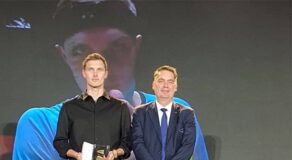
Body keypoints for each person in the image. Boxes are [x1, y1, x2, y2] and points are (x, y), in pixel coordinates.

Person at [13, 0, 209, 160]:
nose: (101, 68)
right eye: (80, 51)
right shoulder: (41, 125)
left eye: (117, 47)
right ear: (64, 56)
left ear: (135, 47)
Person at [53, 53, 131, 160]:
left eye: (99, 69)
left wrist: (115, 153)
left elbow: (128, 142)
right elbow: (60, 142)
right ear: (84, 73)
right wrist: (76, 155)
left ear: (106, 74)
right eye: (91, 69)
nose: (95, 74)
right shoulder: (69, 107)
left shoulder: (120, 107)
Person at [131, 65, 196, 160]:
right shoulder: (140, 113)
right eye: (161, 81)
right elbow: (137, 143)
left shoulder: (186, 114)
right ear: (153, 85)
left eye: (170, 82)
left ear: (175, 86)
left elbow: (188, 146)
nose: (165, 86)